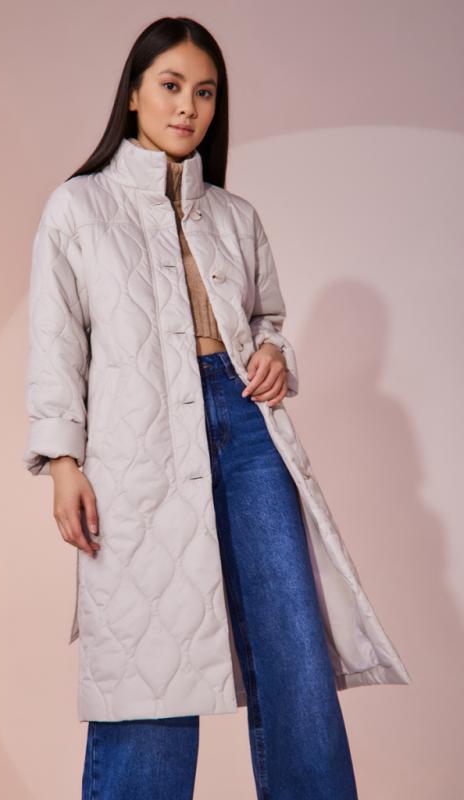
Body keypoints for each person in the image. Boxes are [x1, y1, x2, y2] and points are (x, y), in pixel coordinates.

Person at [24, 15, 410, 800]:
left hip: (247, 432)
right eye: (171, 86)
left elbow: (267, 323)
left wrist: (274, 355)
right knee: (149, 654)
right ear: (134, 95)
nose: (188, 106)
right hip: (139, 441)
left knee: (292, 646)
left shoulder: (236, 216)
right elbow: (56, 343)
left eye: (205, 93)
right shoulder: (76, 208)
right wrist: (63, 461)